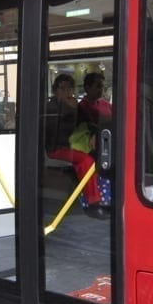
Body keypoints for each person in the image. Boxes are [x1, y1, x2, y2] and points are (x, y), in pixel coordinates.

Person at [44, 73, 107, 218]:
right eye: (62, 88)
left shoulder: (75, 106)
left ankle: (103, 196)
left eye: (69, 88)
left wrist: (93, 133)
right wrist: (68, 109)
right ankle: (93, 202)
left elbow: (86, 123)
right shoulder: (51, 107)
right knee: (86, 161)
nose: (66, 92)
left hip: (73, 145)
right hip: (56, 148)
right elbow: (54, 130)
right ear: (55, 90)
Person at [78, 72, 113, 149]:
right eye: (98, 86)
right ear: (87, 88)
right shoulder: (82, 107)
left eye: (102, 86)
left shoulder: (105, 104)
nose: (101, 89)